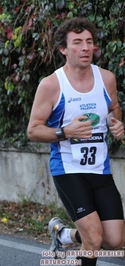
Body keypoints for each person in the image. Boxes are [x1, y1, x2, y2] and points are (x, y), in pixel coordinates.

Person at [27, 17, 124, 266]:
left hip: (100, 170)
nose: (85, 48)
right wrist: (65, 132)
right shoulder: (51, 85)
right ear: (63, 49)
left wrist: (115, 122)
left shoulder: (106, 78)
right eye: (77, 42)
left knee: (114, 241)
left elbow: (113, 107)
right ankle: (77, 239)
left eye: (89, 42)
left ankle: (63, 234)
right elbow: (33, 130)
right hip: (68, 169)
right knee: (93, 237)